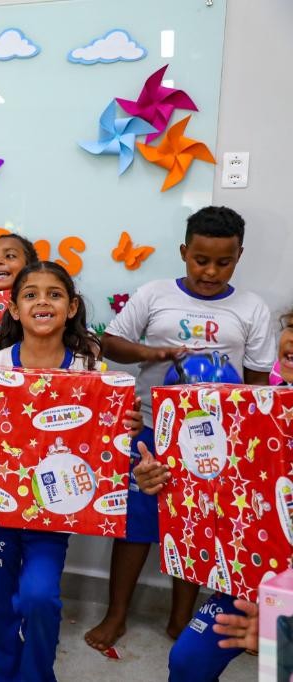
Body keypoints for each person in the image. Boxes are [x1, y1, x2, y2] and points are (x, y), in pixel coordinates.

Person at [85, 206, 273, 655]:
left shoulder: (252, 308)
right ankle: (116, 614)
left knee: (195, 527)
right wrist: (154, 354)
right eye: (201, 260)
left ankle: (180, 619)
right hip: (152, 428)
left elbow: (258, 382)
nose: (210, 272)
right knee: (134, 525)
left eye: (223, 262)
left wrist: (243, 441)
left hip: (214, 442)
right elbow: (109, 344)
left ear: (239, 257)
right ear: (185, 251)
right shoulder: (155, 294)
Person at [0, 260, 142, 682]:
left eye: (54, 294)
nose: (42, 302)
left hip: (52, 513)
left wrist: (126, 425)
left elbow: (108, 440)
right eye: (30, 295)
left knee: (39, 597)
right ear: (14, 309)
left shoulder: (92, 375)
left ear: (72, 307)